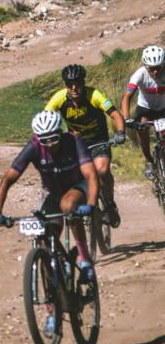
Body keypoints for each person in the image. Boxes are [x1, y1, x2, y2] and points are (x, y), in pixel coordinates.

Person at [0, 109, 99, 283]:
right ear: (37, 137)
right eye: (44, 140)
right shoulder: (33, 147)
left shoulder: (73, 141)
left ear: (60, 132)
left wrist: (91, 204)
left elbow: (91, 174)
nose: (49, 144)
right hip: (52, 191)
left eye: (53, 139)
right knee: (44, 233)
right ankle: (53, 280)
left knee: (68, 205)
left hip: (77, 186)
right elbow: (8, 179)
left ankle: (85, 259)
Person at [45, 63, 126, 227]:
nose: (74, 88)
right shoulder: (59, 98)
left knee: (102, 171)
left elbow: (115, 115)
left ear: (83, 82)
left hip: (99, 140)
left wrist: (120, 132)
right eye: (69, 84)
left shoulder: (94, 95)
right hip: (76, 143)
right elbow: (45, 117)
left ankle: (110, 204)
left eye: (77, 83)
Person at [121, 44, 165, 178]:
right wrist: (127, 118)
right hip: (145, 110)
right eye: (151, 68)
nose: (155, 72)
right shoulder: (139, 74)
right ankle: (149, 161)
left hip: (163, 108)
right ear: (146, 66)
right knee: (142, 129)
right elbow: (127, 96)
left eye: (158, 67)